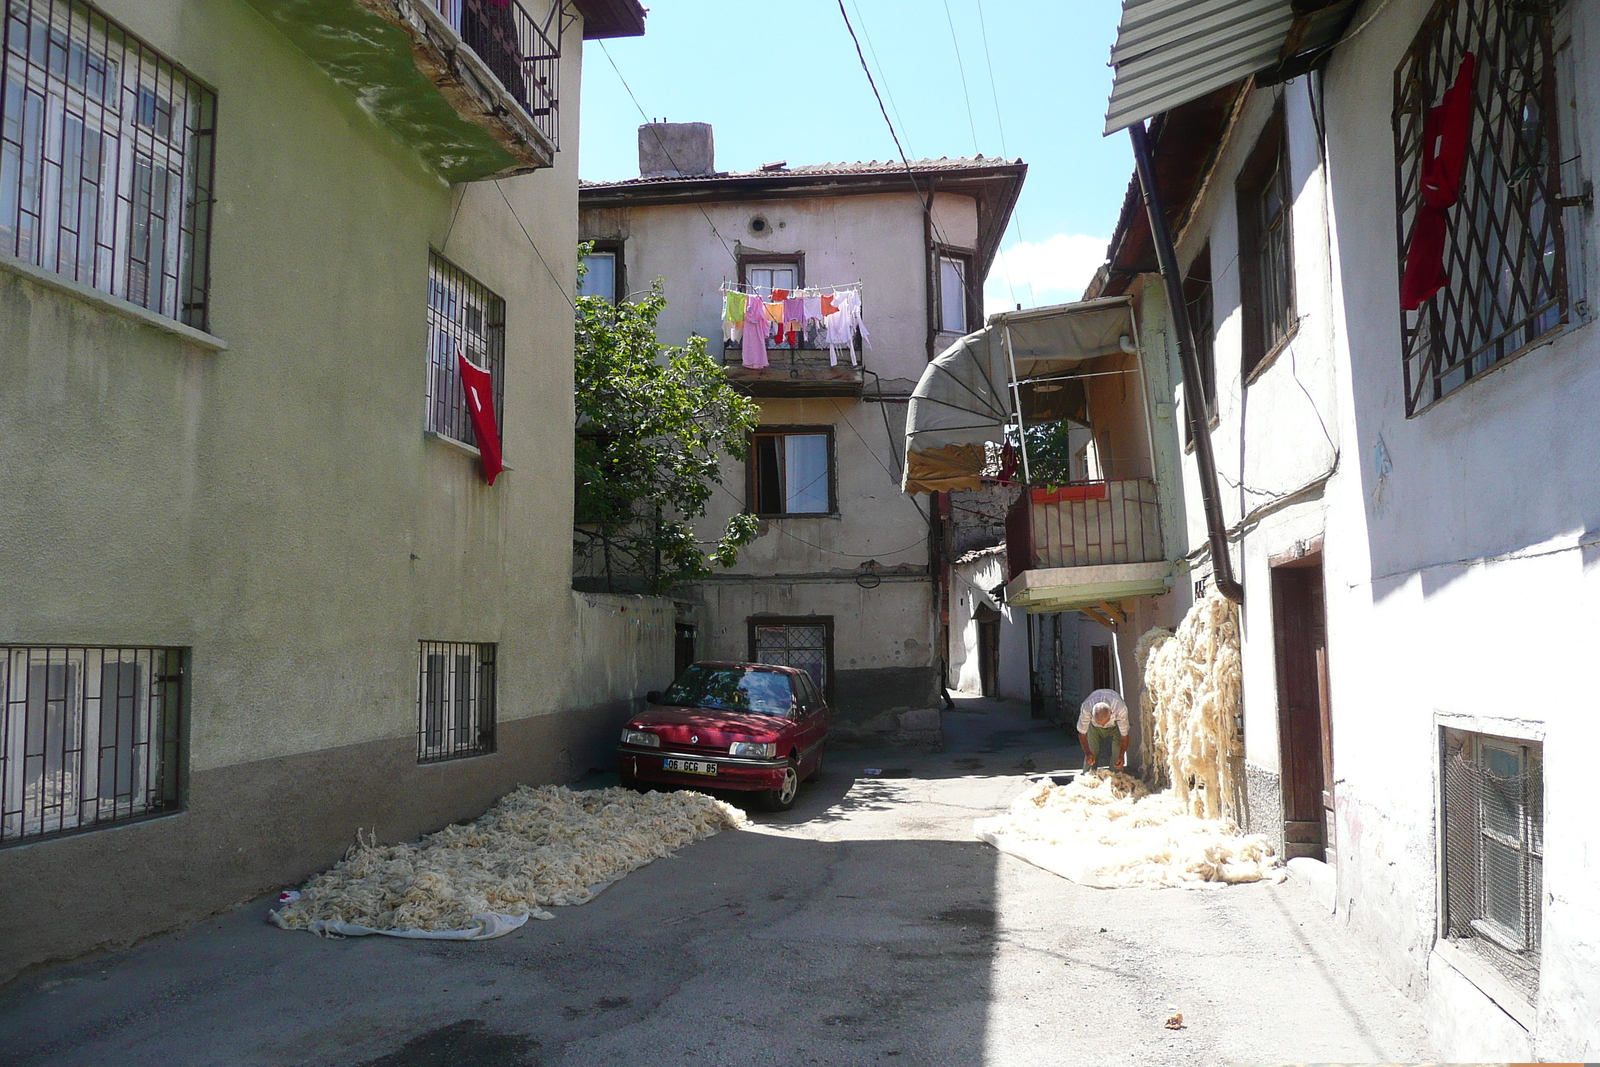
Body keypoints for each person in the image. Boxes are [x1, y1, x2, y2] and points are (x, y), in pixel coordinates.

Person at [1077, 688, 1129, 771]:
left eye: (1105, 722)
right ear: (1092, 714)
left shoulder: (1120, 708)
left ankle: (1116, 776)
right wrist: (1087, 753)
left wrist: (1121, 756)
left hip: (1115, 726)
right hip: (1094, 727)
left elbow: (1124, 736)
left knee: (1117, 751)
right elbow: (1082, 734)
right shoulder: (1086, 708)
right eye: (1099, 722)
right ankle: (1088, 777)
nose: (1103, 725)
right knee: (1092, 751)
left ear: (1111, 713)